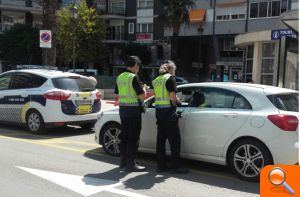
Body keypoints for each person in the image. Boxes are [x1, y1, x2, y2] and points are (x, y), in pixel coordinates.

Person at [152, 60, 188, 174]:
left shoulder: (156, 80)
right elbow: (172, 96)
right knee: (174, 141)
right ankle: (176, 166)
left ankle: (161, 166)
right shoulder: (170, 78)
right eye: (175, 70)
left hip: (159, 112)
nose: (175, 73)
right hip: (169, 112)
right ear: (171, 69)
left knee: (161, 140)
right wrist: (178, 102)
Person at [115, 56, 147, 172]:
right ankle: (131, 164)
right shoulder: (133, 77)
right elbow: (142, 96)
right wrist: (143, 89)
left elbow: (117, 94)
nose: (138, 69)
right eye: (138, 66)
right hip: (133, 111)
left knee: (125, 136)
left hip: (123, 110)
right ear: (136, 65)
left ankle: (123, 162)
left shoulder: (120, 77)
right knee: (133, 137)